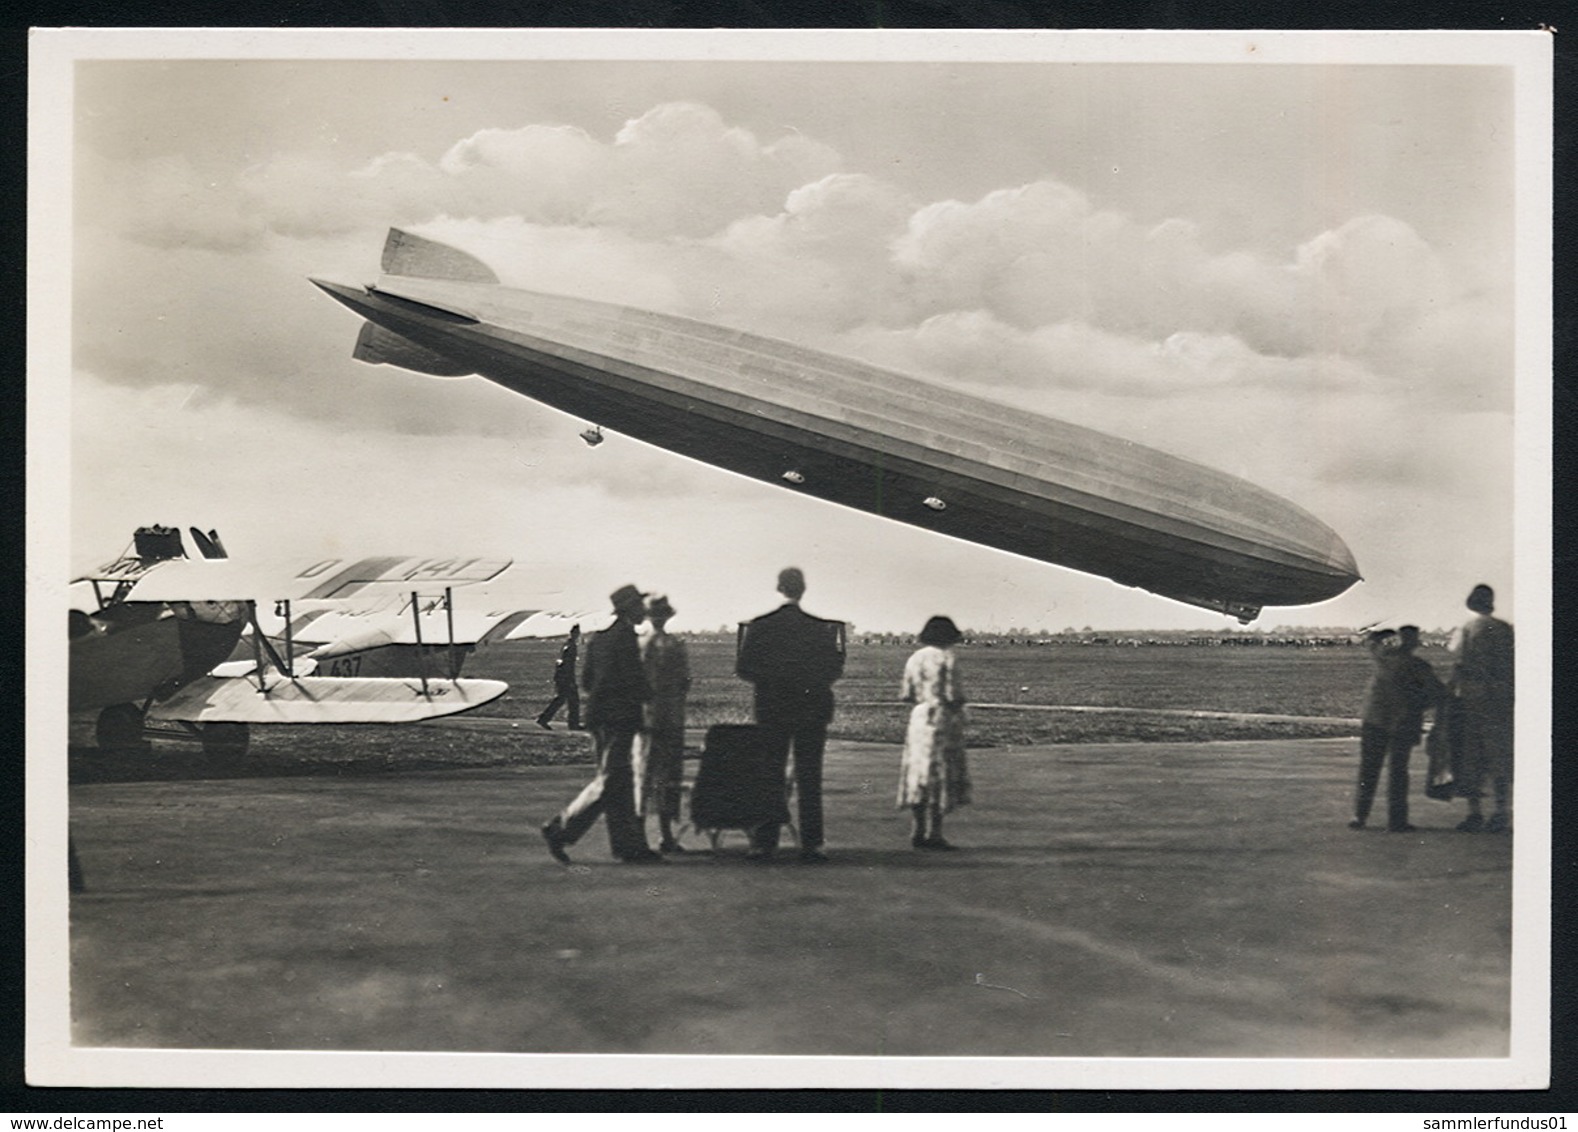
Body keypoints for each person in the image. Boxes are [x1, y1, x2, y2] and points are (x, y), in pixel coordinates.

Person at [540, 585, 662, 864]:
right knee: (613, 780)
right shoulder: (625, 639)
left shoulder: (600, 639)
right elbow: (633, 681)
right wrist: (649, 697)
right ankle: (559, 828)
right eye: (639, 605)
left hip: (599, 717)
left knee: (619, 781)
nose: (643, 610)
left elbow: (586, 682)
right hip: (619, 718)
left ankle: (628, 847)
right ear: (630, 609)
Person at [735, 567, 845, 863]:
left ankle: (764, 842)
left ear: (779, 588)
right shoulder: (821, 628)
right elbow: (834, 669)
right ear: (803, 590)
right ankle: (813, 843)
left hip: (772, 708)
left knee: (770, 774)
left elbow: (744, 668)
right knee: (810, 777)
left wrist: (773, 680)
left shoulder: (760, 626)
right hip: (811, 709)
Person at [1350, 626, 1444, 833]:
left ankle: (1360, 815)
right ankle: (1396, 820)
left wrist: (1378, 631)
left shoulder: (1382, 659)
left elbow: (1371, 643)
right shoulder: (1419, 666)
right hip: (1403, 723)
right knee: (1398, 772)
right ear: (1413, 643)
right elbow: (1437, 694)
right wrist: (1421, 705)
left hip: (1374, 721)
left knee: (1369, 770)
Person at [897, 615, 972, 850]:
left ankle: (917, 829)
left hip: (919, 718)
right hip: (942, 718)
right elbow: (954, 695)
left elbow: (906, 693)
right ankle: (935, 832)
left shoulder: (914, 658)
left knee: (919, 773)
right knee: (940, 773)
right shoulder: (947, 658)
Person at [1449, 584, 1515, 833]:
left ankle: (1474, 813)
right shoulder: (1504, 628)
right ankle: (1500, 812)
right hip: (1500, 699)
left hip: (1472, 700)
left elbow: (1459, 663)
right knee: (1499, 757)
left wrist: (1449, 692)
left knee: (1471, 758)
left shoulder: (1467, 628)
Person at [634, 594, 691, 854]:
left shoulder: (639, 644)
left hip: (646, 717)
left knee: (644, 776)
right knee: (667, 778)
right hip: (670, 717)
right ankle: (666, 835)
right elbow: (685, 682)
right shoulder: (676, 645)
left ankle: (640, 835)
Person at [535, 625, 582, 730]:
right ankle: (572, 724)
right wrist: (570, 680)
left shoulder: (567, 644)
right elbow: (568, 664)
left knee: (563, 700)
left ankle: (545, 719)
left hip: (563, 676)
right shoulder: (571, 647)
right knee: (571, 701)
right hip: (566, 677)